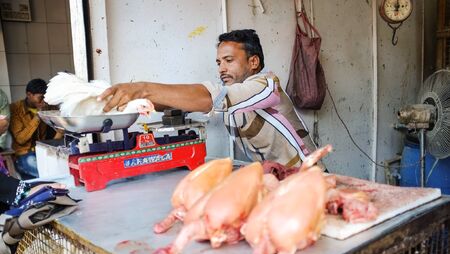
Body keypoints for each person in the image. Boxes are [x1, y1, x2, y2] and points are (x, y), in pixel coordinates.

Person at [99, 29, 320, 168]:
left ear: (253, 62)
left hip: (308, 175)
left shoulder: (268, 85)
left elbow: (215, 98)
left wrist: (142, 89)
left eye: (229, 60)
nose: (222, 69)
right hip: (277, 179)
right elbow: (188, 103)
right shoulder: (230, 95)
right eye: (218, 62)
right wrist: (142, 103)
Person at [9, 79, 63, 179]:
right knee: (46, 176)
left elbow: (61, 128)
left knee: (59, 171)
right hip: (24, 154)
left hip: (43, 151)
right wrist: (38, 116)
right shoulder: (15, 109)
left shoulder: (48, 106)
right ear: (29, 94)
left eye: (45, 98)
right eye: (40, 98)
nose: (43, 101)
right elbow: (21, 139)